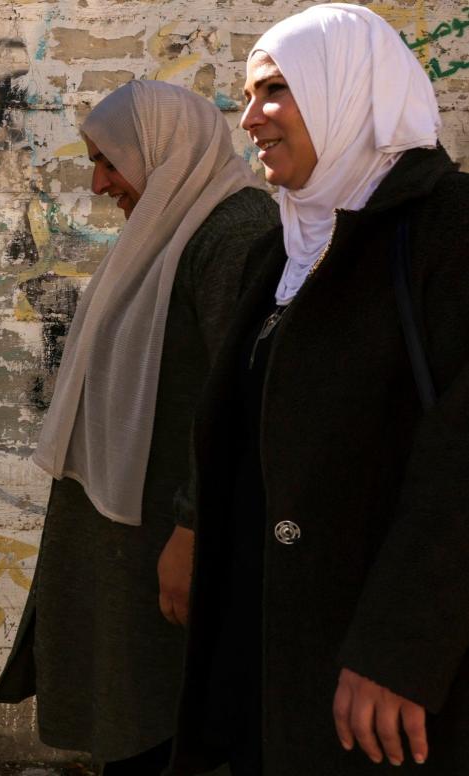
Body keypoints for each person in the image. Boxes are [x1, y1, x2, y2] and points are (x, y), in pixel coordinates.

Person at [168, 5, 469, 775]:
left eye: (273, 91)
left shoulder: (446, 232)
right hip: (269, 638)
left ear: (347, 88)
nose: (249, 118)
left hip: (380, 670)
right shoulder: (280, 249)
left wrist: (400, 648)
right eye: (246, 96)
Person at [0, 80, 277, 775]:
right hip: (135, 544)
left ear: (161, 151)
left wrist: (192, 530)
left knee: (169, 731)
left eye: (110, 161)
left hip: (171, 545)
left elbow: (241, 399)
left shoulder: (234, 234)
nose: (98, 183)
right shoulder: (165, 232)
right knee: (142, 729)